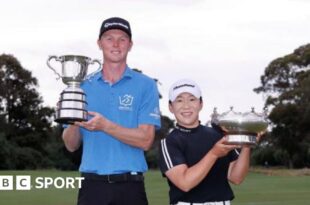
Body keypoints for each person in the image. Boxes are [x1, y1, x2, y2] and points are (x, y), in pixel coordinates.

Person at [62, 17, 161, 205]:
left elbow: (146, 140)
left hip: (130, 186)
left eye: (122, 39)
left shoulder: (146, 85)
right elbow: (71, 145)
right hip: (91, 185)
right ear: (99, 43)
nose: (115, 44)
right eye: (109, 38)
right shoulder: (82, 86)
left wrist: (105, 126)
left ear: (130, 45)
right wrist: (74, 120)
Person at [159, 79, 261, 205]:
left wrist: (247, 144)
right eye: (179, 100)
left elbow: (236, 178)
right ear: (171, 107)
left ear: (201, 104)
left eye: (192, 99)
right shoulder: (169, 142)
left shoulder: (218, 134)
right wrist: (213, 154)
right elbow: (185, 183)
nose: (186, 105)